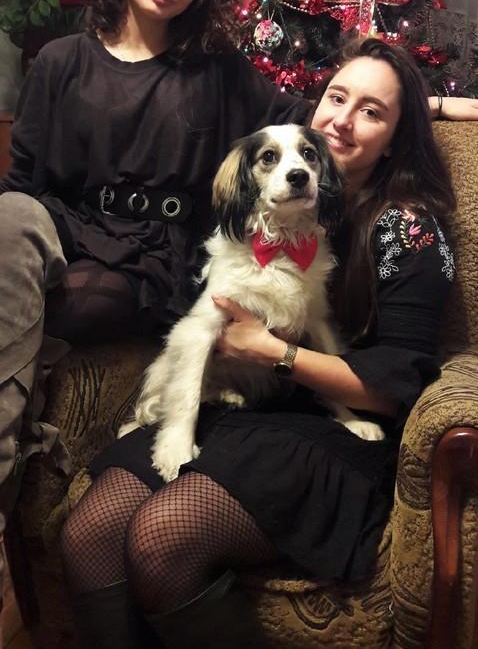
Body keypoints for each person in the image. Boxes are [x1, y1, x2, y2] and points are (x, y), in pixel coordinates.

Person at [60, 36, 458, 649]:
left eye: (372, 112)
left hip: (329, 431)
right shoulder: (271, 204)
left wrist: (273, 351)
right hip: (246, 406)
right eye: (336, 98)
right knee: (88, 533)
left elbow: (397, 388)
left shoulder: (408, 228)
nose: (343, 121)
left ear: (394, 138)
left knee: (164, 537)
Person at [0, 0, 315, 596]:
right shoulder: (59, 61)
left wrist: (432, 102)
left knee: (61, 302)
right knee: (11, 222)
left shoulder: (218, 73)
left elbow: (308, 118)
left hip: (150, 264)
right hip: (64, 231)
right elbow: (22, 183)